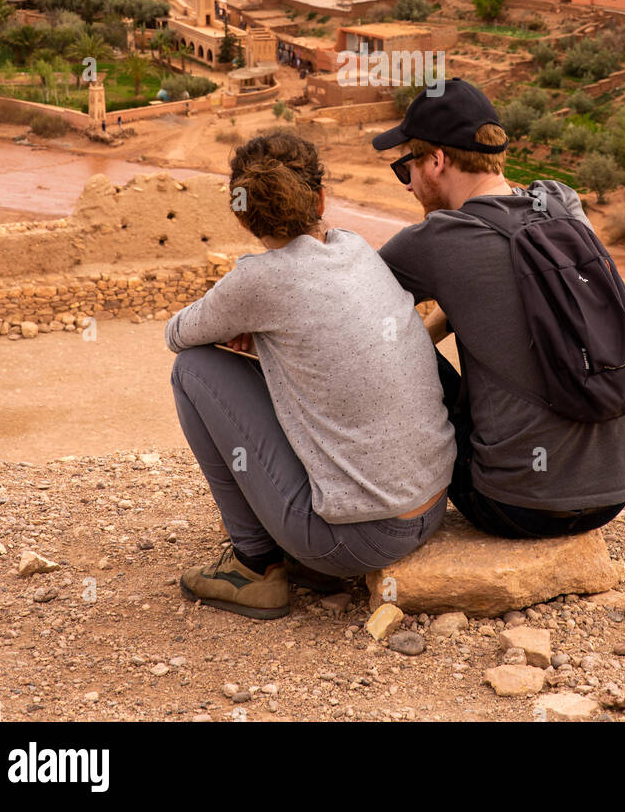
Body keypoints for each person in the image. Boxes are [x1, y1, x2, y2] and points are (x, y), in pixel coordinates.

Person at [166, 129, 455, 619]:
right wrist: (267, 336)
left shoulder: (257, 281)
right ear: (321, 197)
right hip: (433, 507)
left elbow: (178, 333)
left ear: (242, 215)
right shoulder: (356, 247)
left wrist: (250, 329)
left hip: (361, 542)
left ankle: (254, 566)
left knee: (193, 368)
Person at [372, 77, 625, 541]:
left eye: (407, 169)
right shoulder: (563, 207)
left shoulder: (437, 240)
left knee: (390, 352)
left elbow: (346, 306)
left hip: (513, 506)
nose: (408, 186)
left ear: (437, 161)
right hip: (617, 493)